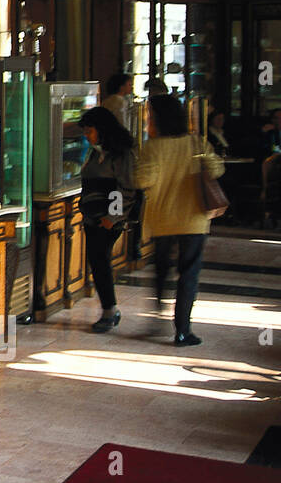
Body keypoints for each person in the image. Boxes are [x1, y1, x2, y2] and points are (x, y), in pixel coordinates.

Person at [134, 95, 224, 346]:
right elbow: (217, 170)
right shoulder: (196, 143)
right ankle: (183, 330)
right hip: (193, 219)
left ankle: (158, 312)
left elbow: (142, 181)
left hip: (162, 218)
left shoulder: (153, 147)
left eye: (149, 115)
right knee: (189, 273)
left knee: (162, 268)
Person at [78, 106, 138, 333]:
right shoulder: (94, 152)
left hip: (108, 219)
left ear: (102, 129)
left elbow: (127, 188)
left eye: (90, 130)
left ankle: (109, 310)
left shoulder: (123, 154)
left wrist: (113, 217)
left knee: (100, 260)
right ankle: (109, 309)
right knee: (97, 261)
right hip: (92, 217)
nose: (87, 135)